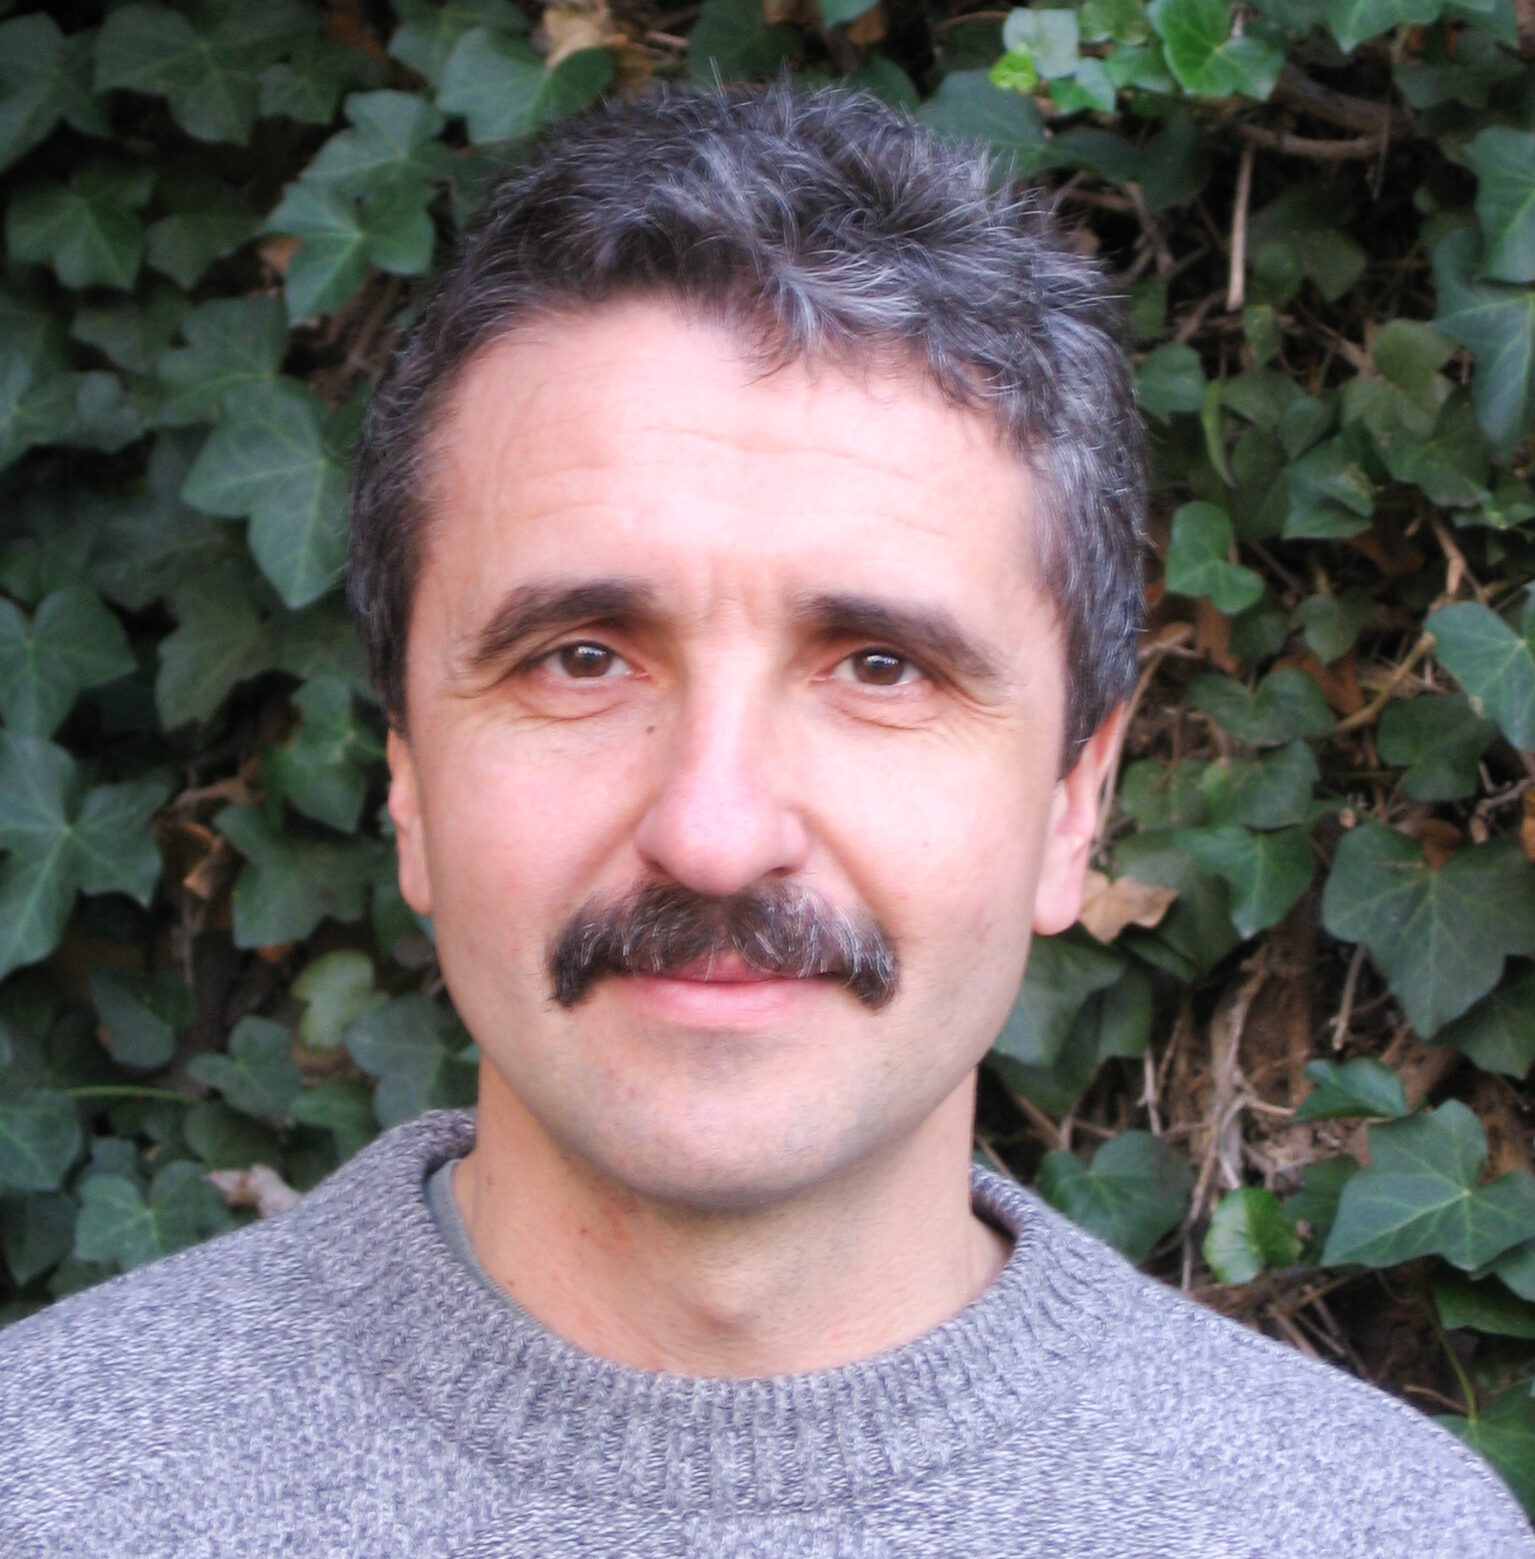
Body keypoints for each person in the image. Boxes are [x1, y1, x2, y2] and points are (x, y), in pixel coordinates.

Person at [1, 84, 1529, 1558]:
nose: (716, 835)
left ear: (1077, 798)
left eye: (881, 667)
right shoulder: (44, 1489)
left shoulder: (1379, 1537)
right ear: (406, 781)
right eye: (580, 659)